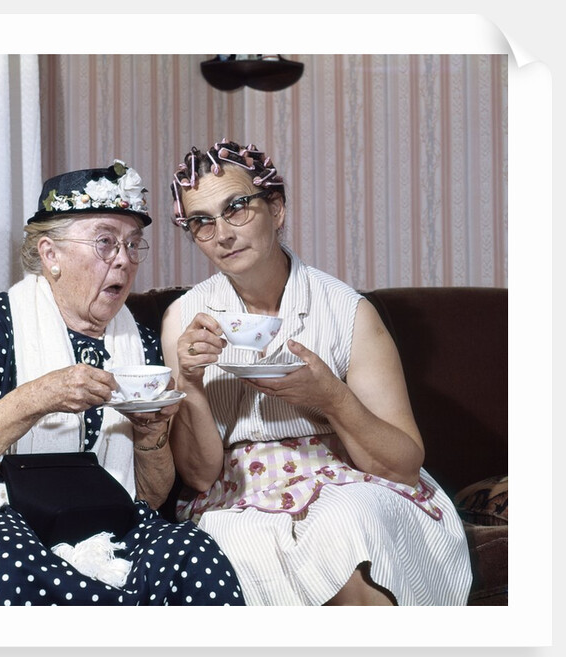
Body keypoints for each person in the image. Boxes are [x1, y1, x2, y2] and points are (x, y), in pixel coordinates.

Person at [0, 160, 244, 606]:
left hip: (109, 523)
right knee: (4, 565)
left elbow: (150, 497)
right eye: (105, 242)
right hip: (6, 516)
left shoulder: (141, 342)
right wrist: (40, 396)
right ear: (51, 255)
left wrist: (150, 434)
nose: (123, 259)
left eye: (132, 244)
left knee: (193, 553)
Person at [161, 139, 473, 605]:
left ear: (276, 208)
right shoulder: (184, 319)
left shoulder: (347, 311)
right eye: (202, 222)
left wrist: (329, 396)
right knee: (239, 542)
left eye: (237, 208)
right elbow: (200, 477)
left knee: (346, 522)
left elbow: (403, 465)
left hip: (347, 480)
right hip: (237, 492)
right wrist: (189, 382)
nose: (222, 234)